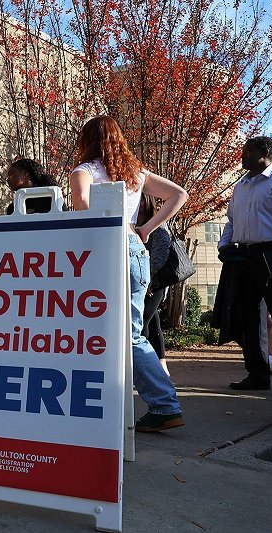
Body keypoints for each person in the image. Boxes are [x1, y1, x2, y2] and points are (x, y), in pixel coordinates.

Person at [69, 115, 188, 432]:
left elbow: (81, 205)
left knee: (119, 334)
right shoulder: (136, 173)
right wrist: (146, 228)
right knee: (122, 332)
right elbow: (179, 194)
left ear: (87, 141)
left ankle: (164, 404)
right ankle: (115, 400)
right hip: (136, 251)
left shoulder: (85, 171)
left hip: (105, 254)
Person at [218, 136, 272, 400]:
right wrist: (224, 244)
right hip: (244, 257)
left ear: (264, 152)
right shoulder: (241, 186)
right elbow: (231, 219)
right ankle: (258, 374)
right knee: (249, 317)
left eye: (248, 150)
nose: (243, 155)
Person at [138, 193, 172, 376]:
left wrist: (148, 276)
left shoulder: (156, 222)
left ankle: (144, 367)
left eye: (143, 199)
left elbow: (161, 252)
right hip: (137, 280)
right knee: (153, 322)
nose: (140, 203)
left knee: (142, 321)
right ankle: (161, 364)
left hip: (155, 282)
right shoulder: (129, 220)